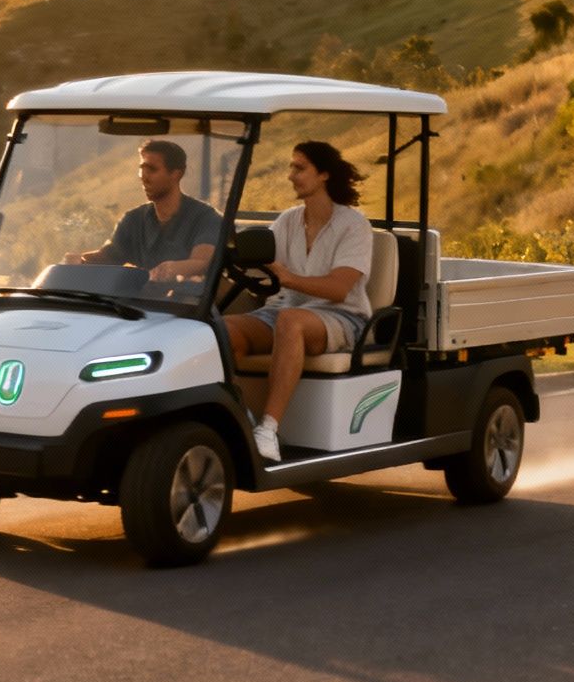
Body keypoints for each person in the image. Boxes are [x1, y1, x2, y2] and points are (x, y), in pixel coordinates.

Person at [225, 142, 375, 462]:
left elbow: (338, 289)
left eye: (299, 168)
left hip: (341, 317)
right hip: (284, 309)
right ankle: (241, 419)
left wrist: (288, 278)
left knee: (290, 321)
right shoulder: (288, 221)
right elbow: (262, 268)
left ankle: (268, 429)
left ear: (323, 174)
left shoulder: (354, 225)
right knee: (222, 330)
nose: (291, 175)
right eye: (291, 167)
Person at [65, 140, 222, 284]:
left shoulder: (206, 218)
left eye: (152, 169)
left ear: (176, 174)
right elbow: (109, 257)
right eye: (142, 169)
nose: (143, 178)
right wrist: (80, 260)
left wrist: (172, 269)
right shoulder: (134, 219)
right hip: (139, 304)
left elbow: (201, 262)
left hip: (188, 307)